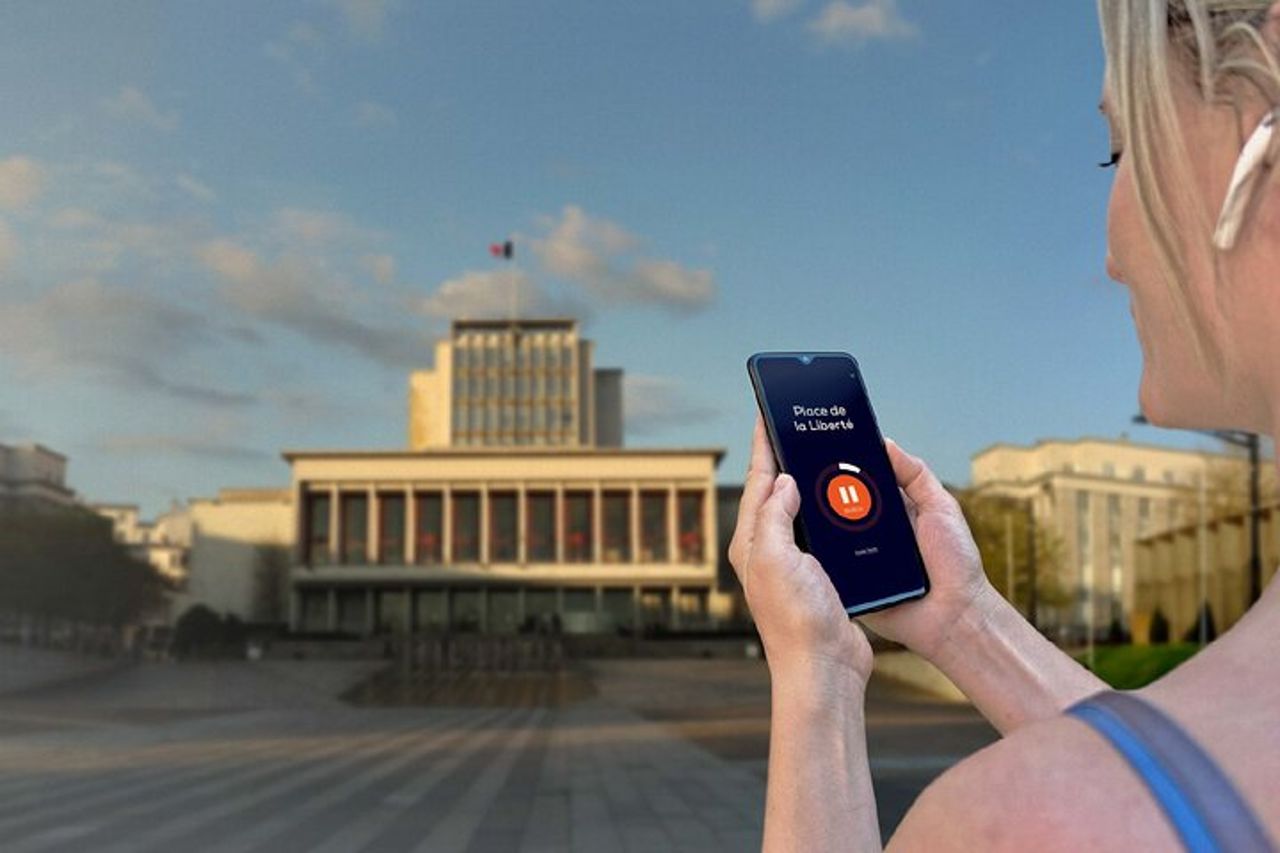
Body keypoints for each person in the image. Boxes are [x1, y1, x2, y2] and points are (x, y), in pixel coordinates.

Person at [728, 2, 1280, 849]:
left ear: (1259, 139)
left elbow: (1151, 797)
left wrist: (817, 677)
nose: (1110, 250)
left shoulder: (1008, 821)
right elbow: (1169, 776)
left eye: (1121, 148)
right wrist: (964, 620)